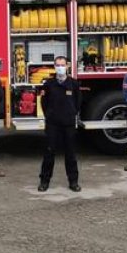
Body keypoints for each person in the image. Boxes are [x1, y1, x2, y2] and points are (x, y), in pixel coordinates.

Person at [39, 57, 81, 193]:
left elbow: (78, 102)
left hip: (68, 124)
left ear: (67, 66)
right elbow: (43, 102)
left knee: (70, 154)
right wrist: (49, 115)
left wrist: (72, 113)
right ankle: (44, 181)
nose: (60, 67)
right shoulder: (49, 84)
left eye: (62, 65)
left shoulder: (73, 84)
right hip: (53, 124)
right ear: (54, 67)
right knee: (49, 153)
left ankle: (73, 182)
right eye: (57, 65)